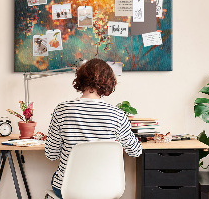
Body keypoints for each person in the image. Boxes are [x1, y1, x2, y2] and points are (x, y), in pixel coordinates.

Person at [45, 58, 142, 198]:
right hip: (106, 190)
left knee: (59, 178)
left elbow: (51, 154)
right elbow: (135, 151)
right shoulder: (117, 115)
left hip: (68, 190)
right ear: (108, 82)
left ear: (80, 79)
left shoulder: (62, 110)